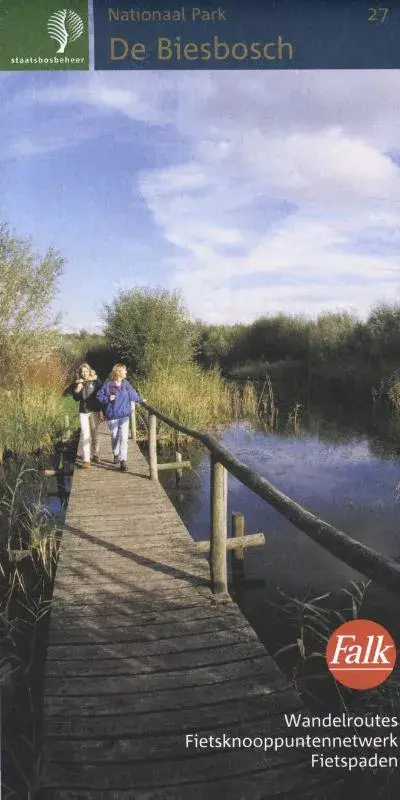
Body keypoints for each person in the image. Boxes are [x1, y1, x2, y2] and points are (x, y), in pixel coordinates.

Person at [96, 363, 145, 472]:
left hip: (124, 416)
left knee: (124, 438)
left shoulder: (126, 384)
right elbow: (99, 396)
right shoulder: (108, 384)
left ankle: (123, 461)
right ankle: (116, 453)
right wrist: (108, 398)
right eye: (124, 370)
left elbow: (133, 394)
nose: (126, 372)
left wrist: (141, 400)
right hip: (113, 415)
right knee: (114, 437)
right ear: (118, 372)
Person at [71, 363, 103, 468]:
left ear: (89, 371)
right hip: (83, 411)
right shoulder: (78, 383)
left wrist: (96, 378)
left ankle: (96, 453)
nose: (84, 374)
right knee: (85, 434)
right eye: (82, 372)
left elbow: (102, 388)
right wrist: (77, 389)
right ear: (80, 373)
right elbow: (75, 398)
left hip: (94, 410)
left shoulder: (94, 381)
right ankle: (86, 459)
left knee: (94, 433)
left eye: (86, 371)